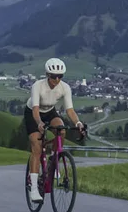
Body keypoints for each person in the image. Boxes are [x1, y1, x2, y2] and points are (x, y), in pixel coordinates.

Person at [26, 57, 85, 202]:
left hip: (50, 112)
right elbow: (35, 109)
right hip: (33, 113)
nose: (57, 80)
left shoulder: (65, 88)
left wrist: (78, 123)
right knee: (37, 147)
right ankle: (34, 189)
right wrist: (39, 123)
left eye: (60, 76)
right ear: (47, 75)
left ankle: (54, 158)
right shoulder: (38, 86)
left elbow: (70, 110)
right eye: (53, 76)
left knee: (61, 130)